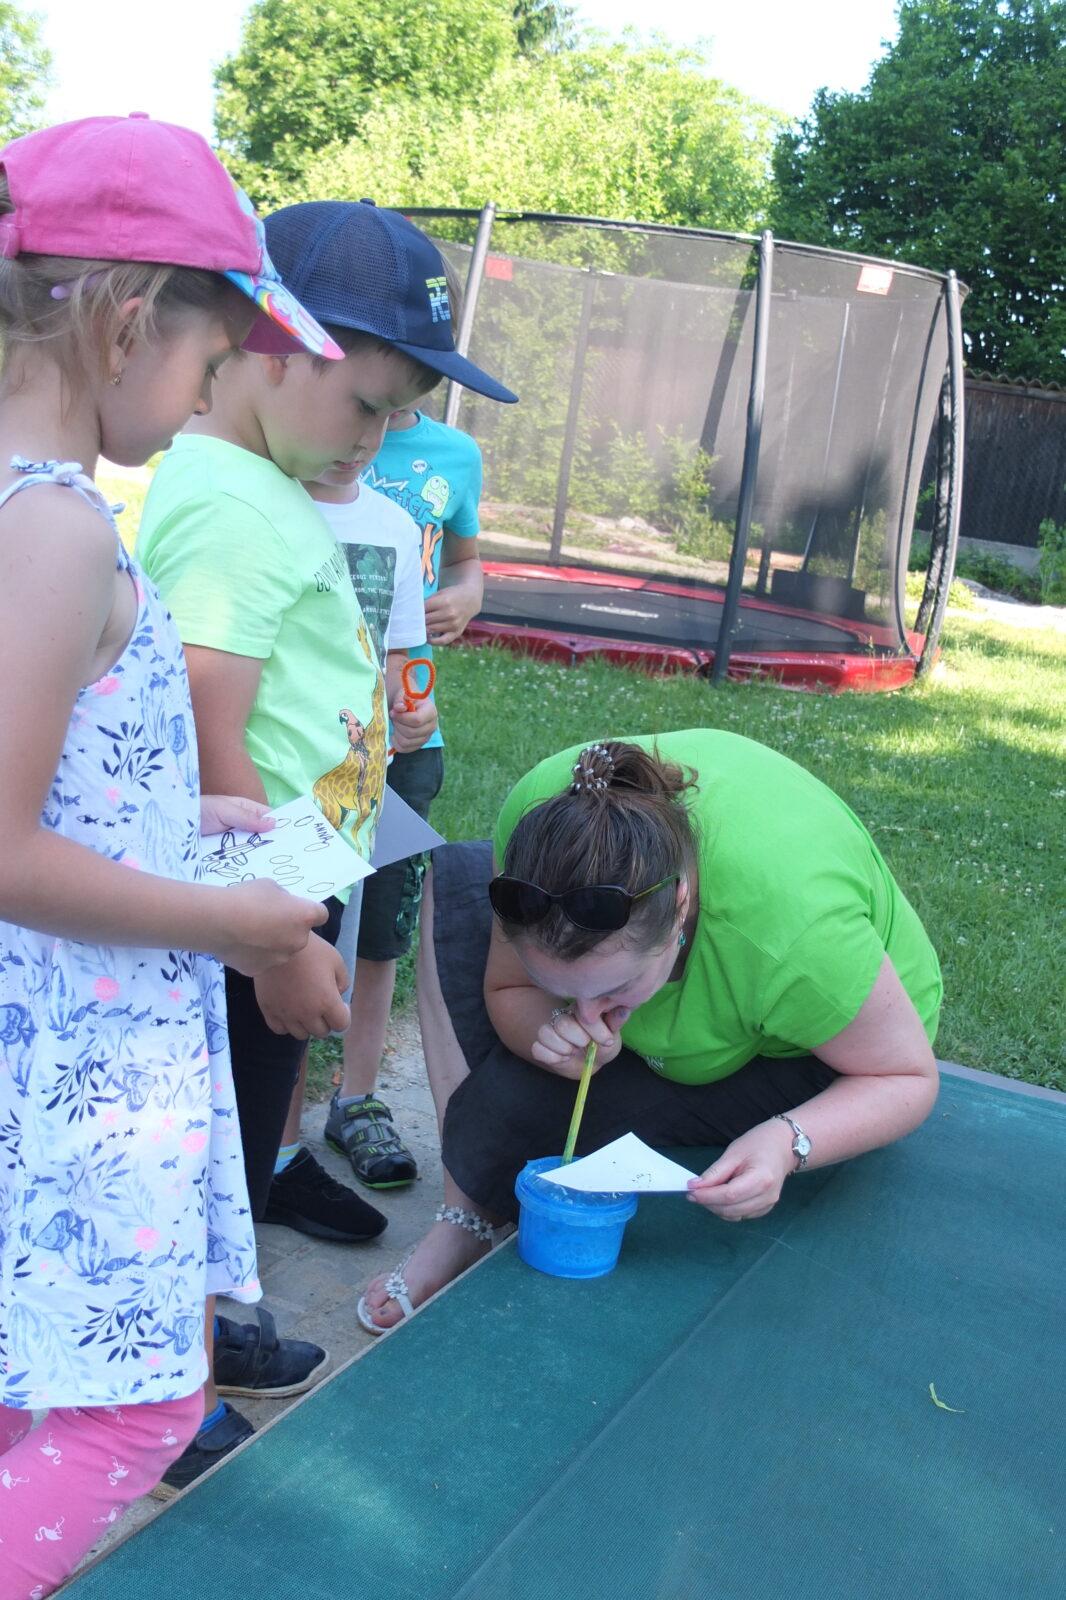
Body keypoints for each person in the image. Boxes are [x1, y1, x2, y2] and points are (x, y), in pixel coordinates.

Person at [0, 113, 340, 1595]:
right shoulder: (58, 526)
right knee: (132, 1406)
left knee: (32, 1381)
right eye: (212, 361)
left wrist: (179, 815)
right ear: (131, 316)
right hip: (64, 1063)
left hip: (49, 1047)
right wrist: (245, 929)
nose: (211, 391)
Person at [137, 200, 515, 1482]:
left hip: (290, 880)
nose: (389, 431)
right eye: (372, 402)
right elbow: (203, 723)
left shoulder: (260, 482)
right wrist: (265, 939)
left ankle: (216, 1328)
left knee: (245, 1124)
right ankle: (164, 1387)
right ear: (272, 341)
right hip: (249, 897)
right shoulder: (237, 509)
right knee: (193, 1148)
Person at [357, 731, 942, 1332]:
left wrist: (789, 1141)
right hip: (717, 975)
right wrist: (546, 1027)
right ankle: (464, 1220)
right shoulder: (540, 820)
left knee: (526, 1109)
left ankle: (505, 1184)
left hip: (828, 1049)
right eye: (565, 991)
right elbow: (509, 991)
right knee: (456, 895)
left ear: (683, 906)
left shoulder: (792, 939)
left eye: (612, 992)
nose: (587, 1015)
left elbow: (905, 1076)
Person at [342, 267, 486, 1188]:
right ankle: (265, 1121)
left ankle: (354, 1099)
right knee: (302, 919)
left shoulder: (454, 458)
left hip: (408, 741)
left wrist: (464, 596)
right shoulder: (310, 451)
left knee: (380, 929)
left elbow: (468, 560)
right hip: (312, 742)